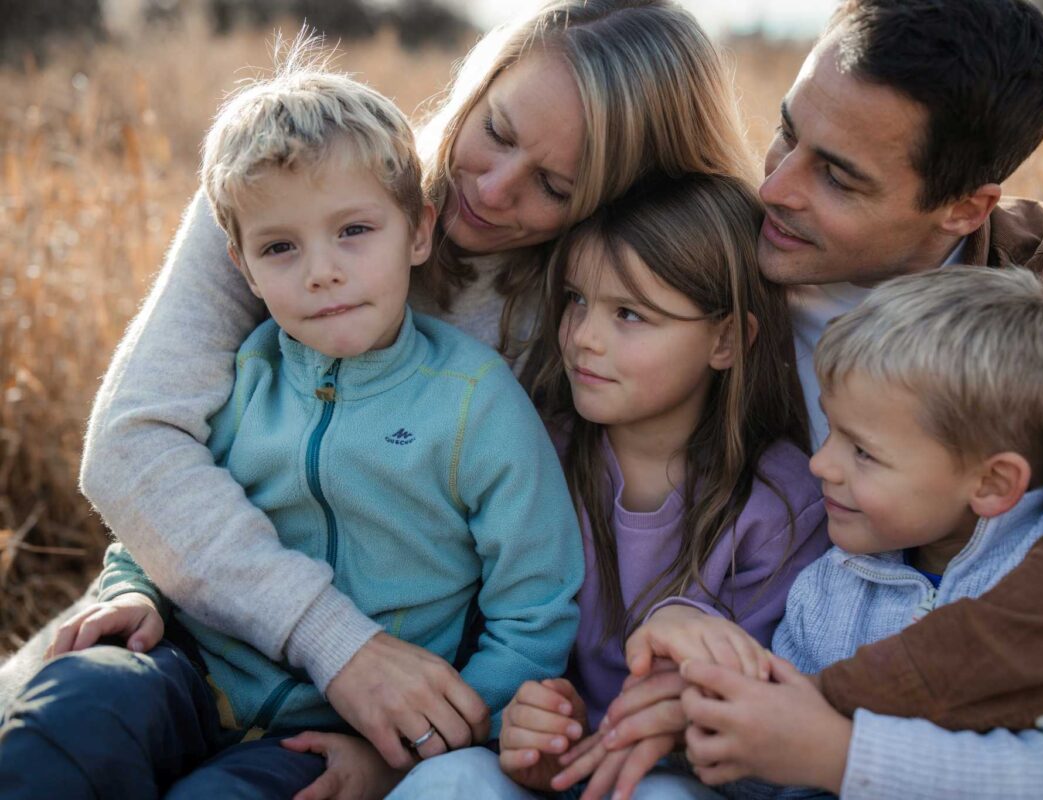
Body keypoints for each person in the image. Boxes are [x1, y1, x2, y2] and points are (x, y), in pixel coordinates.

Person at [46, 0, 756, 774]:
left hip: (363, 722)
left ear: (618, 201)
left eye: (554, 184)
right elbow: (135, 447)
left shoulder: (577, 336)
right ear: (482, 82)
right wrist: (311, 636)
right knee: (55, 736)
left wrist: (413, 747)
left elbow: (533, 594)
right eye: (498, 131)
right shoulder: (294, 175)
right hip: (196, 632)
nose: (490, 188)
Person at [611, 1, 1043, 778]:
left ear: (964, 208)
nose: (776, 187)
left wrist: (825, 710)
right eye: (788, 131)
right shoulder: (704, 252)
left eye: (839, 177)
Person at [0, 51, 584, 799]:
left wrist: (424, 745)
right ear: (242, 268)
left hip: (329, 732)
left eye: (353, 232)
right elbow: (166, 507)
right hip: (191, 667)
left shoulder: (475, 400)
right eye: (280, 247)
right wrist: (132, 589)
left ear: (418, 232)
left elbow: (533, 605)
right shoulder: (248, 371)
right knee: (70, 712)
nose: (321, 271)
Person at [666, 267, 1043, 798]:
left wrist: (841, 755)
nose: (821, 464)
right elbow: (776, 774)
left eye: (863, 452)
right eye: (830, 429)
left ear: (991, 482)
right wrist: (706, 715)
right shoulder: (832, 585)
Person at [384, 175, 827, 799]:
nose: (584, 336)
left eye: (629, 314)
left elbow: (767, 738)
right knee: (450, 781)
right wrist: (525, 724)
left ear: (726, 339)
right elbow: (485, 628)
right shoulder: (529, 448)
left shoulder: (781, 504)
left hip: (682, 777)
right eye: (576, 300)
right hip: (531, 769)